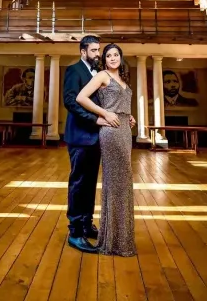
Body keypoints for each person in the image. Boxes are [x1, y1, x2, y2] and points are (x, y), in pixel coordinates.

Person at [77, 43, 137, 257]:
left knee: (124, 182)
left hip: (124, 131)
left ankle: (122, 238)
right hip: (111, 132)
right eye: (109, 55)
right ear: (104, 59)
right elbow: (81, 98)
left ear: (121, 57)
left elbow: (121, 103)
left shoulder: (123, 79)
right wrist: (104, 114)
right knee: (115, 182)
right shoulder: (102, 76)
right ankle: (112, 240)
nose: (112, 58)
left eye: (116, 55)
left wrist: (128, 116)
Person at [63, 35, 106, 253]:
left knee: (90, 184)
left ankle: (87, 224)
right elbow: (70, 101)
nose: (98, 54)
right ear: (83, 52)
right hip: (80, 136)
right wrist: (94, 119)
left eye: (99, 50)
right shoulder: (74, 70)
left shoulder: (97, 73)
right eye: (94, 50)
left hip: (96, 138)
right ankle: (75, 232)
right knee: (78, 183)